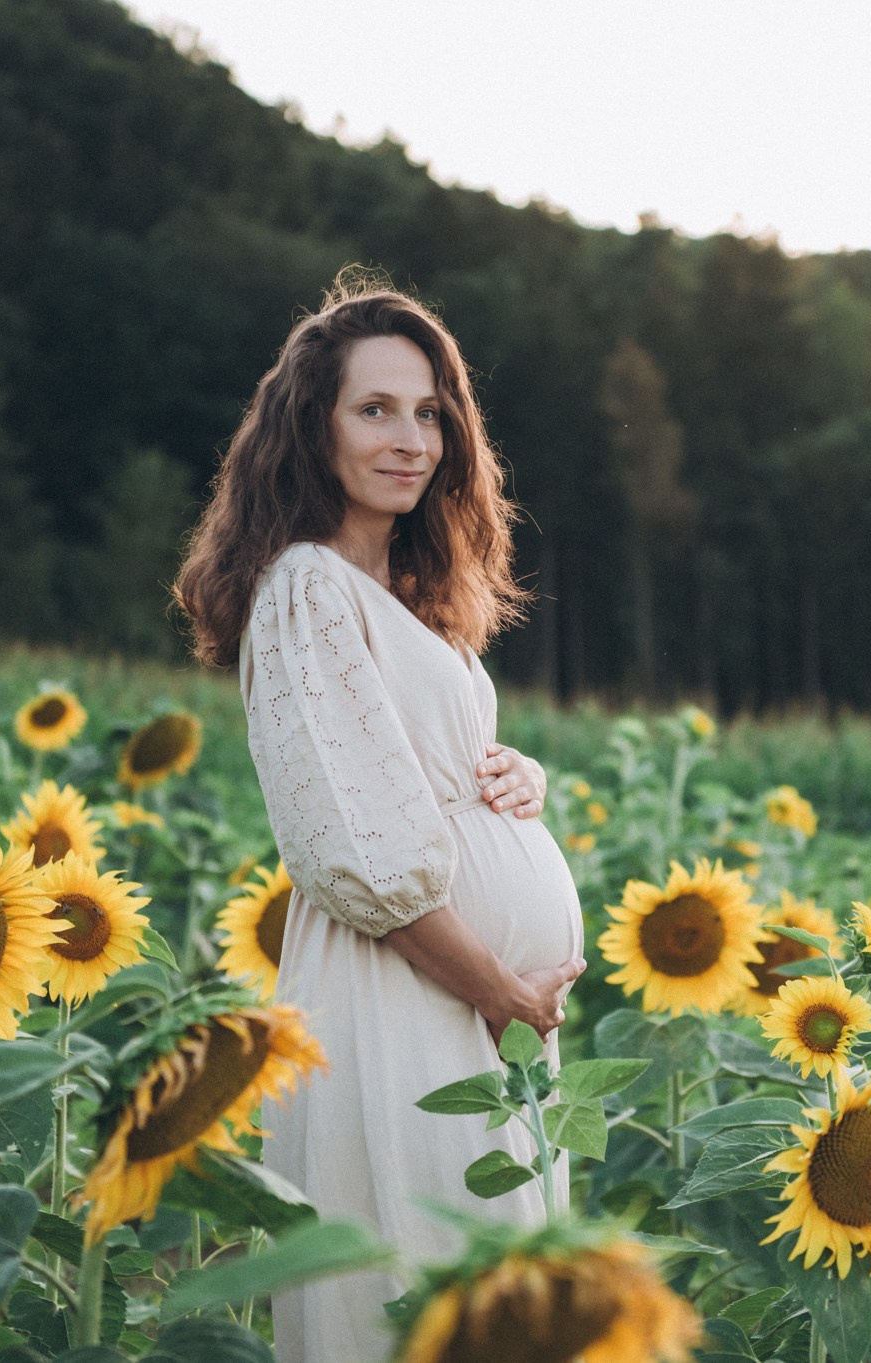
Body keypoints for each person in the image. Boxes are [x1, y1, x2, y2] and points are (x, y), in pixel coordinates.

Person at [173, 272, 587, 1362]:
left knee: (482, 1299)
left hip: (468, 1003)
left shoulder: (394, 591)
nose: (410, 439)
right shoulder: (307, 585)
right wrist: (499, 989)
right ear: (313, 429)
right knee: (414, 1292)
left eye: (428, 412)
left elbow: (409, 769)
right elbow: (359, 851)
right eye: (374, 410)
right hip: (404, 994)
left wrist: (509, 779)